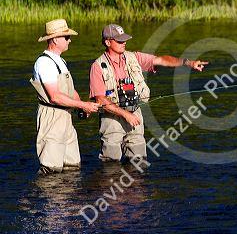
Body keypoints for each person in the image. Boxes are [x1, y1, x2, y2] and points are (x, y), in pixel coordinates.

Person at [89, 24, 208, 162]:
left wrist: (189, 63)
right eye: (119, 40)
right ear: (108, 42)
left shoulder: (135, 57)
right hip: (112, 119)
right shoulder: (97, 66)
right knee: (111, 163)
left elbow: (162, 60)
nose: (124, 42)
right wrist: (125, 114)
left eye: (125, 39)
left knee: (138, 161)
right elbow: (101, 100)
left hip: (135, 114)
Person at [30, 19, 100, 174]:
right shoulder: (44, 63)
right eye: (66, 37)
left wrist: (83, 104)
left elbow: (70, 90)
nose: (70, 40)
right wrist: (83, 106)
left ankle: (70, 198)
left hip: (66, 117)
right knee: (52, 170)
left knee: (72, 167)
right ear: (55, 39)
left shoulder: (60, 61)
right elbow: (55, 96)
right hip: (52, 118)